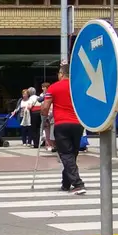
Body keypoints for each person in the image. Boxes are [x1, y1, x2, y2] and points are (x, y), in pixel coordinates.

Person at [41, 66, 86, 195]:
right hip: (77, 123)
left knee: (66, 154)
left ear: (61, 74)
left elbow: (45, 107)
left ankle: (78, 183)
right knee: (72, 154)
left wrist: (44, 116)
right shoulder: (78, 87)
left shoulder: (53, 87)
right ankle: (66, 183)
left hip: (61, 123)